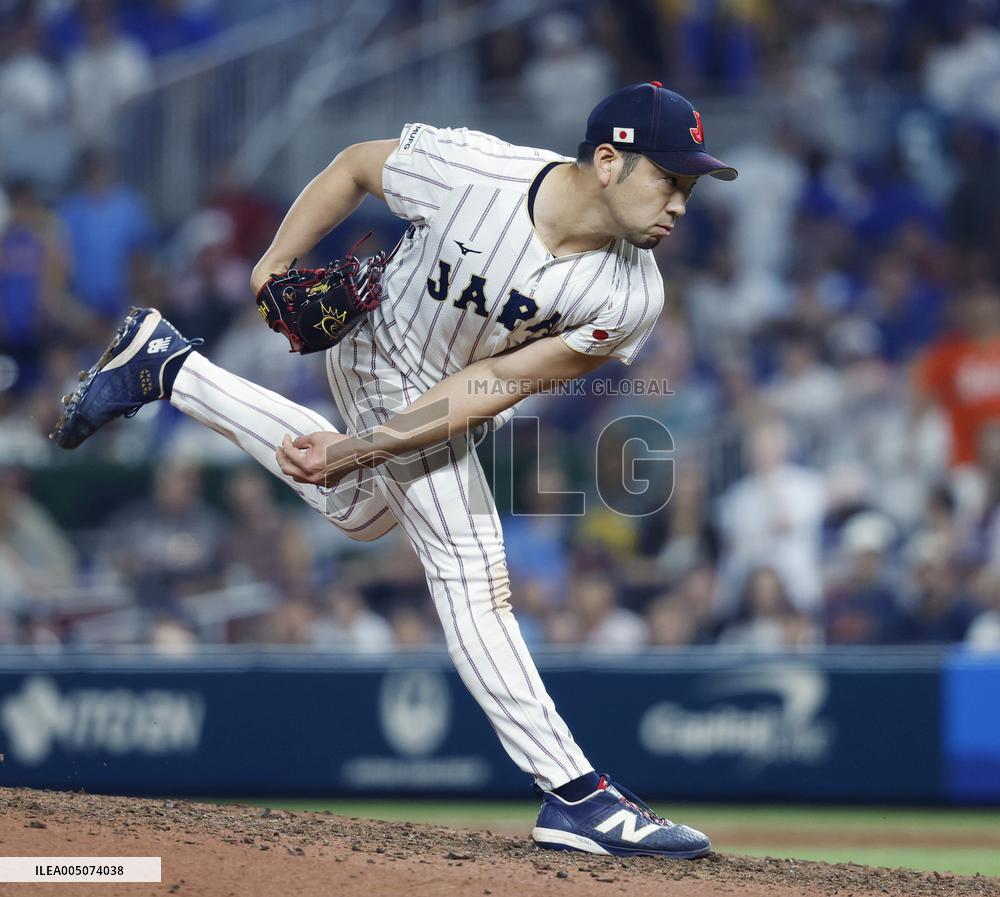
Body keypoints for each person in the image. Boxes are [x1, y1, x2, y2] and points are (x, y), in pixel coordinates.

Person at [50, 82, 737, 859]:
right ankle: (576, 794)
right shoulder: (475, 170)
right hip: (380, 345)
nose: (681, 201)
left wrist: (358, 449)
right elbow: (352, 167)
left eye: (690, 185)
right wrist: (273, 263)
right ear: (608, 161)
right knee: (473, 569)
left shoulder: (634, 292)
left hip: (453, 389)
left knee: (361, 508)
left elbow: (495, 386)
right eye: (669, 178)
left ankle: (168, 367)